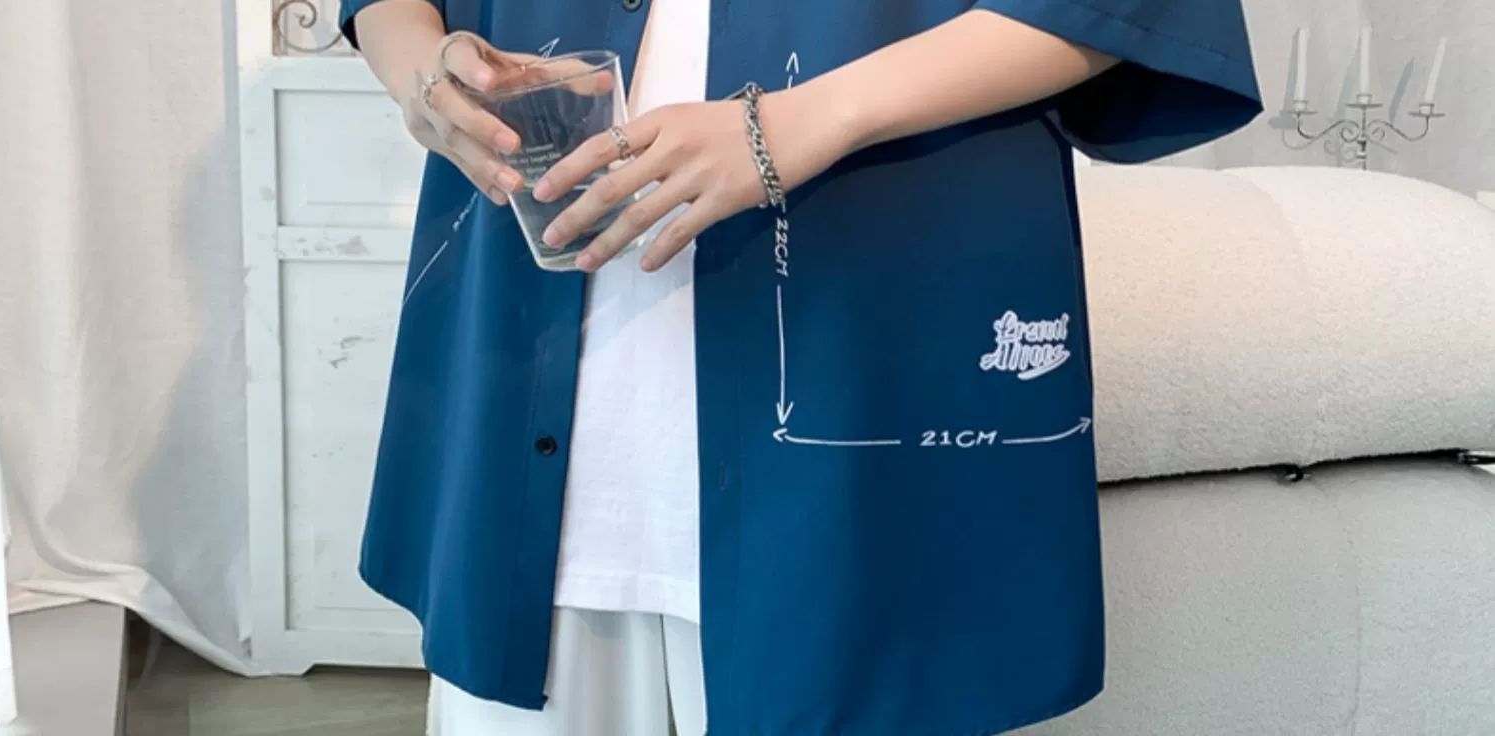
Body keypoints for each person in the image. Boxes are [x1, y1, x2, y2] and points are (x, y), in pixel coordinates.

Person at [338, 0, 1261, 734]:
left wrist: (801, 120)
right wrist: (420, 69)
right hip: (535, 393)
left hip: (855, 368)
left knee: (842, 666)